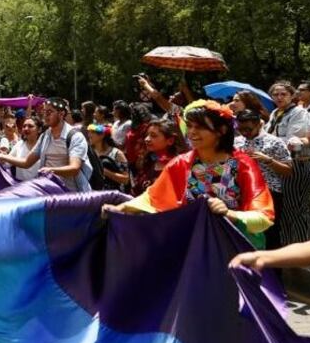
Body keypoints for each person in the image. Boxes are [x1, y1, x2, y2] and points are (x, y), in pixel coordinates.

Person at [104, 101, 274, 246]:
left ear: (221, 130)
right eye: (190, 126)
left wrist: (230, 214)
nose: (191, 132)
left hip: (234, 246)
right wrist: (122, 208)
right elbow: (153, 197)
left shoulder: (243, 164)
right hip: (193, 244)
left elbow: (263, 216)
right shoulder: (182, 163)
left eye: (200, 127)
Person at [0, 98, 92, 192]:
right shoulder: (45, 136)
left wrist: (50, 170)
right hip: (49, 193)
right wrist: (2, 156)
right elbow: (27, 162)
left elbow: (74, 168)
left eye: (49, 112)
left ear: (61, 114)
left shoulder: (75, 137)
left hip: (73, 196)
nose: (45, 115)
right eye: (44, 111)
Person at [235, 109, 293, 250]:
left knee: (270, 231)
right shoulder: (236, 142)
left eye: (248, 129)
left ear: (258, 124)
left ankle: (273, 269)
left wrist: (268, 160)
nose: (244, 132)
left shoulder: (274, 142)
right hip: (241, 192)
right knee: (243, 230)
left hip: (269, 192)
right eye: (241, 129)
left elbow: (288, 171)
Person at [266, 81, 310, 246]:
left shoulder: (298, 112)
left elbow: (291, 140)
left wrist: (266, 145)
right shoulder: (275, 113)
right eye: (275, 94)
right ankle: (287, 246)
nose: (279, 97)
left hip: (296, 163)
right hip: (277, 165)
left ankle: (303, 249)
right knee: (284, 209)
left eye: (283, 94)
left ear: (292, 95)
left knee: (297, 209)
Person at [130, 118, 185, 196]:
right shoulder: (149, 161)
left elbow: (193, 192)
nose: (147, 139)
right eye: (147, 135)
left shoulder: (180, 165)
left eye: (153, 136)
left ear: (170, 141)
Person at [86, 124, 130, 192]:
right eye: (88, 132)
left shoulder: (117, 154)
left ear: (102, 135)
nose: (89, 135)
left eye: (92, 132)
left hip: (112, 195)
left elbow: (125, 179)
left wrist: (104, 172)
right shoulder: (88, 152)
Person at [10, 117, 43, 181]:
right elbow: (6, 163)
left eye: (30, 126)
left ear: (39, 129)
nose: (26, 129)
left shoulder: (44, 146)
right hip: (20, 187)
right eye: (24, 126)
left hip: (39, 187)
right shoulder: (19, 145)